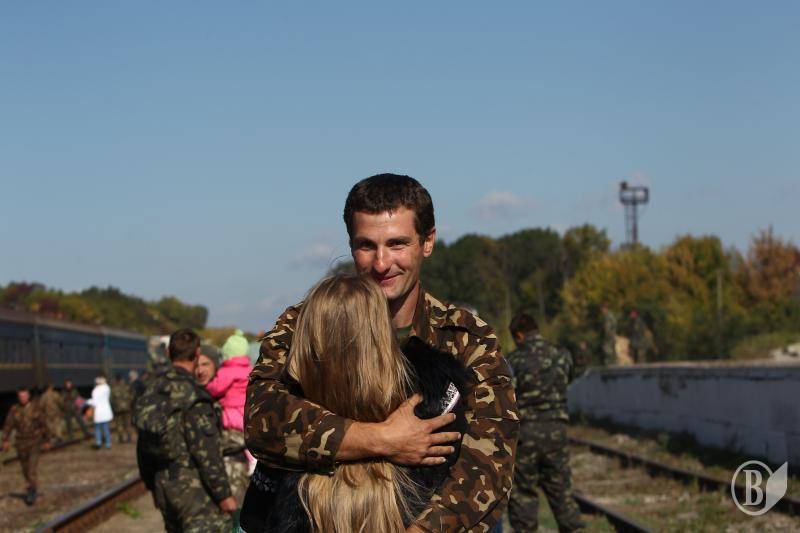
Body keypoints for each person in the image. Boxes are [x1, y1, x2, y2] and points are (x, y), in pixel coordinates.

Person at [245, 174, 519, 531]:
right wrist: (380, 440)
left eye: (397, 244)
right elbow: (261, 419)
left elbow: (490, 464)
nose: (381, 263)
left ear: (428, 242)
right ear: (350, 245)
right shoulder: (309, 323)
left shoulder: (464, 337)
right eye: (366, 245)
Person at [240, 274, 473, 532]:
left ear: (309, 344)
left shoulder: (288, 424)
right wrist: (384, 439)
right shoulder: (432, 402)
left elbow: (253, 519)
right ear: (382, 330)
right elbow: (471, 485)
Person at [134, 328, 236, 532]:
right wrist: (224, 494)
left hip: (163, 484)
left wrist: (152, 484)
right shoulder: (194, 395)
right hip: (193, 488)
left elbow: (142, 444)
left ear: (168, 353)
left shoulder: (152, 391)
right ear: (197, 353)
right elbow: (205, 450)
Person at [506, 312, 583, 532]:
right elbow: (573, 375)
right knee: (561, 491)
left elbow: (506, 395)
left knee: (523, 494)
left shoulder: (513, 360)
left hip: (525, 434)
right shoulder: (561, 355)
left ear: (519, 335)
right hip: (556, 431)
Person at [196, 341, 251, 502]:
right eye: (196, 365)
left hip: (234, 480)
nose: (200, 370)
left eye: (205, 364)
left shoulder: (224, 393)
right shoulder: (191, 396)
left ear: (216, 365)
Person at [2, 386, 51, 505]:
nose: (22, 398)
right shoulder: (14, 410)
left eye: (24, 396)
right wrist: (5, 439)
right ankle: (30, 487)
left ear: (28, 396)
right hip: (21, 443)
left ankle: (32, 491)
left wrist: (47, 440)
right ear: (18, 397)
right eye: (20, 396)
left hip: (34, 442)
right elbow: (8, 425)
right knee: (25, 469)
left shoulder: (36, 408)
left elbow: (44, 424)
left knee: (31, 469)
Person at [87, 376, 114, 449]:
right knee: (106, 428)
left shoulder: (96, 390)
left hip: (98, 411)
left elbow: (94, 402)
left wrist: (87, 402)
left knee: (97, 428)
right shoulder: (107, 388)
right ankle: (108, 443)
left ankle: (98, 442)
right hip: (106, 411)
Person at [111, 374, 133, 443]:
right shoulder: (127, 387)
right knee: (128, 423)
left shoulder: (113, 388)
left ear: (115, 380)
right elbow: (132, 396)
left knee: (119, 424)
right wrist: (129, 404)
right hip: (127, 408)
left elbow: (111, 399)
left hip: (118, 409)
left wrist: (115, 406)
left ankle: (121, 438)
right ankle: (129, 437)